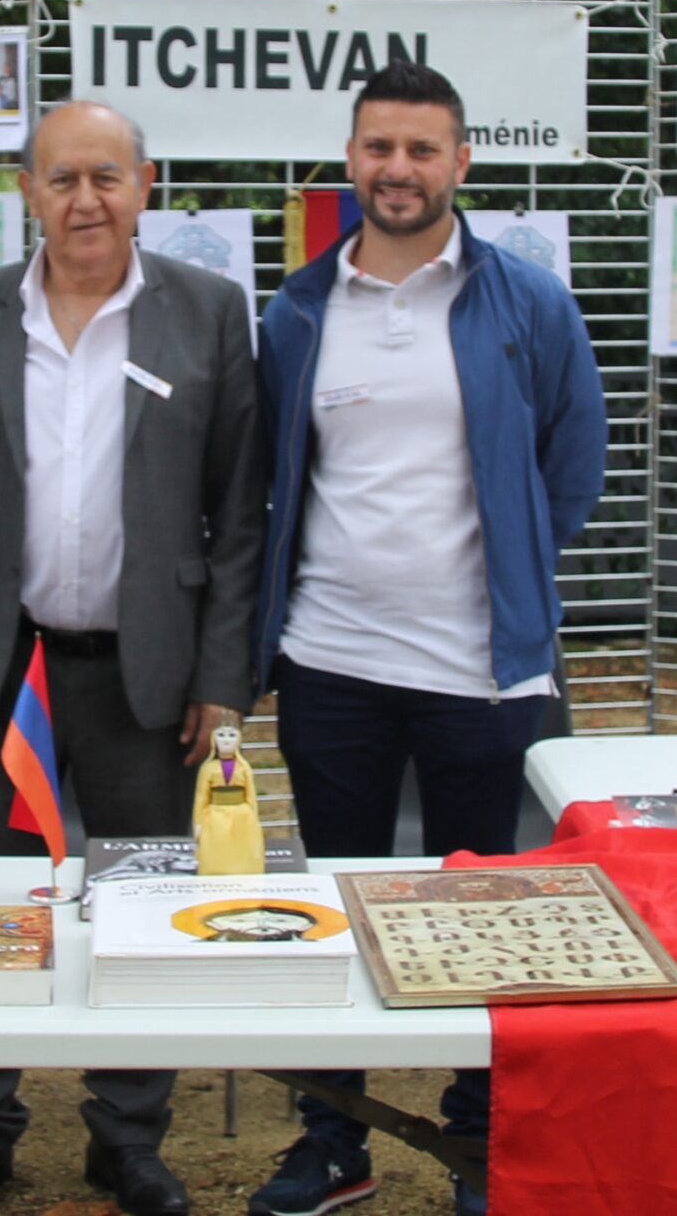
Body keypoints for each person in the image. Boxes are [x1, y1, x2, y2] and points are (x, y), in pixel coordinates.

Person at [248, 61, 607, 1216]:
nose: (395, 169)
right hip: (331, 662)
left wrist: (504, 577)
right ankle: (333, 1138)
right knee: (336, 901)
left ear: (461, 162)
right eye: (376, 148)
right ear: (348, 160)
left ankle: (481, 1137)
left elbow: (572, 467)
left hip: (481, 673)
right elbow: (275, 478)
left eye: (420, 149)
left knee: (483, 915)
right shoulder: (298, 311)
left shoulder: (527, 303)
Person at [0, 101, 263, 1216]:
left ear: (145, 184)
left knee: (140, 898)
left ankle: (127, 1133)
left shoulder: (206, 314)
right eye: (61, 179)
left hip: (144, 667)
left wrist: (217, 679)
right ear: (27, 190)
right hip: (3, 663)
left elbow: (236, 514)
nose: (85, 201)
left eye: (106, 176)